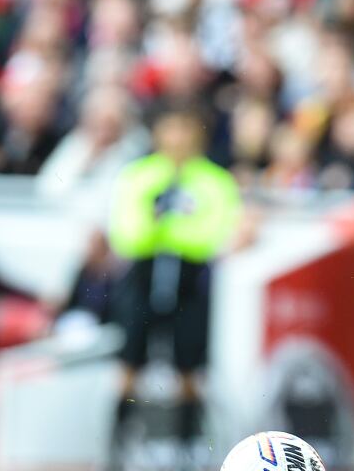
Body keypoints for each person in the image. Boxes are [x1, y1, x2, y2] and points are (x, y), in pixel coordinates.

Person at [107, 106, 241, 464]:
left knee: (189, 369)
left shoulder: (214, 180)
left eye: (186, 129)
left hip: (190, 282)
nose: (178, 139)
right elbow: (128, 236)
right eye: (171, 129)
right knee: (128, 365)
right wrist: (161, 225)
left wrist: (168, 229)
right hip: (143, 279)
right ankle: (117, 451)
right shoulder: (139, 176)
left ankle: (188, 450)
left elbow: (212, 235)